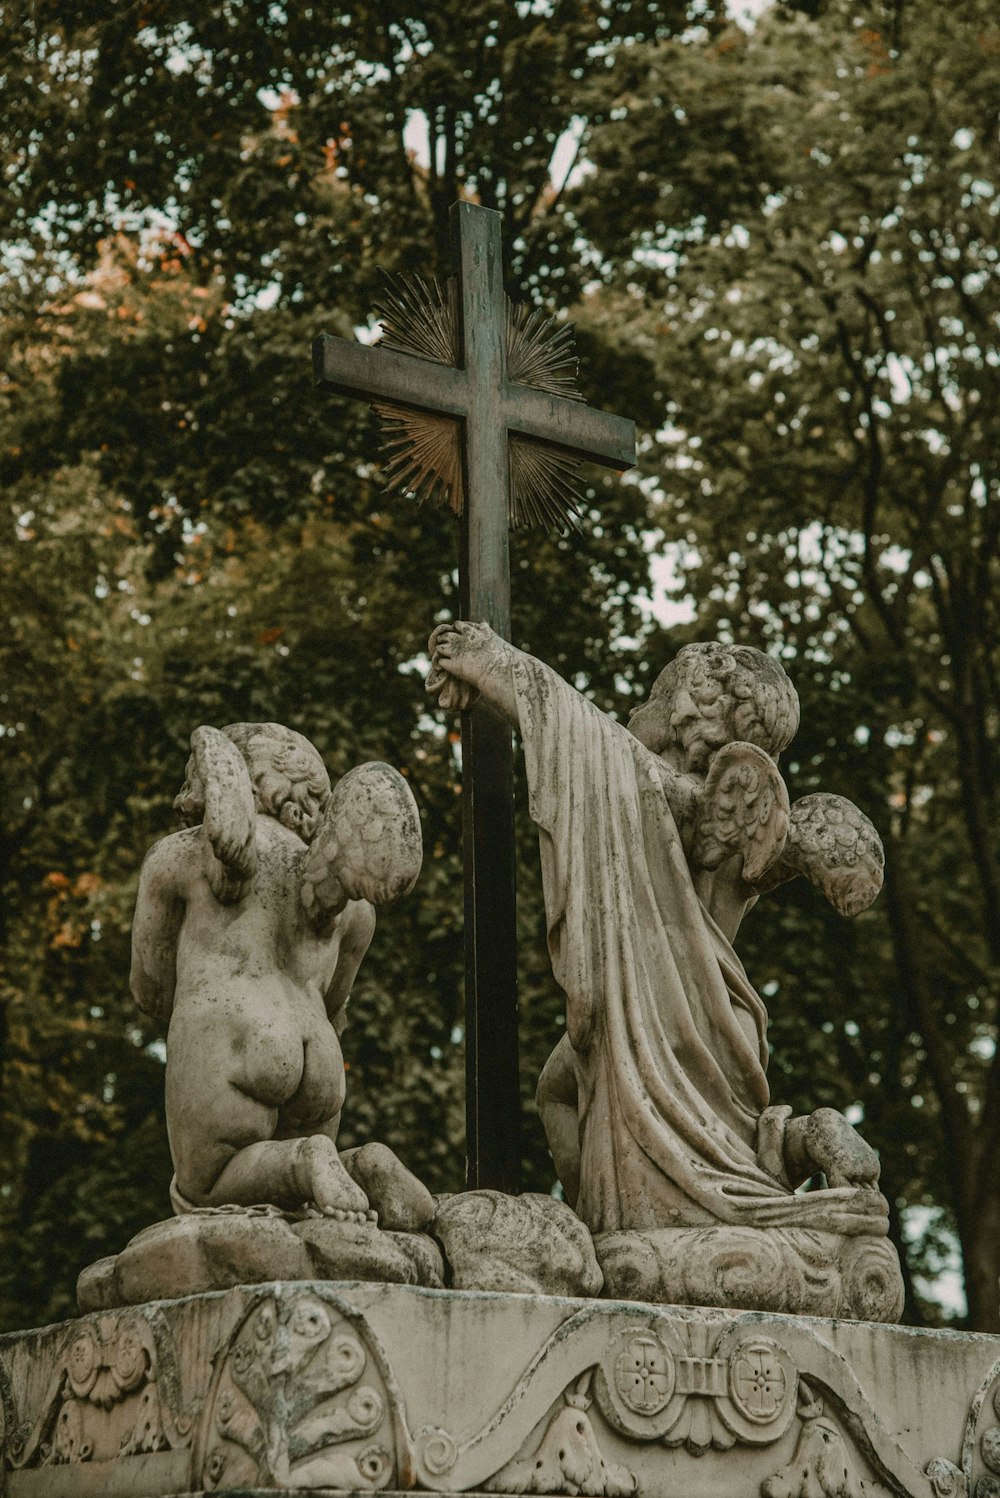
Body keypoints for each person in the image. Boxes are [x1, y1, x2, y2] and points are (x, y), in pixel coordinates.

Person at [427, 623, 886, 1240]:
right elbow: (800, 845)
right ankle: (624, 1211)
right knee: (560, 1092)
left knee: (588, 1111)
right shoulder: (717, 812)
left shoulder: (684, 798)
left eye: (654, 699)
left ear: (690, 715)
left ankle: (621, 1230)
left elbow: (578, 733)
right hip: (703, 1011)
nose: (638, 714)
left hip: (678, 1011)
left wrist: (494, 662)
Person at [131, 721, 431, 1229]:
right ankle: (367, 1163)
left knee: (207, 1184)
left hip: (234, 1037)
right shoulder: (352, 910)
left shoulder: (181, 857)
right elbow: (336, 1003)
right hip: (318, 1054)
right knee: (302, 1209)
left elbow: (150, 987)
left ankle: (306, 1160)